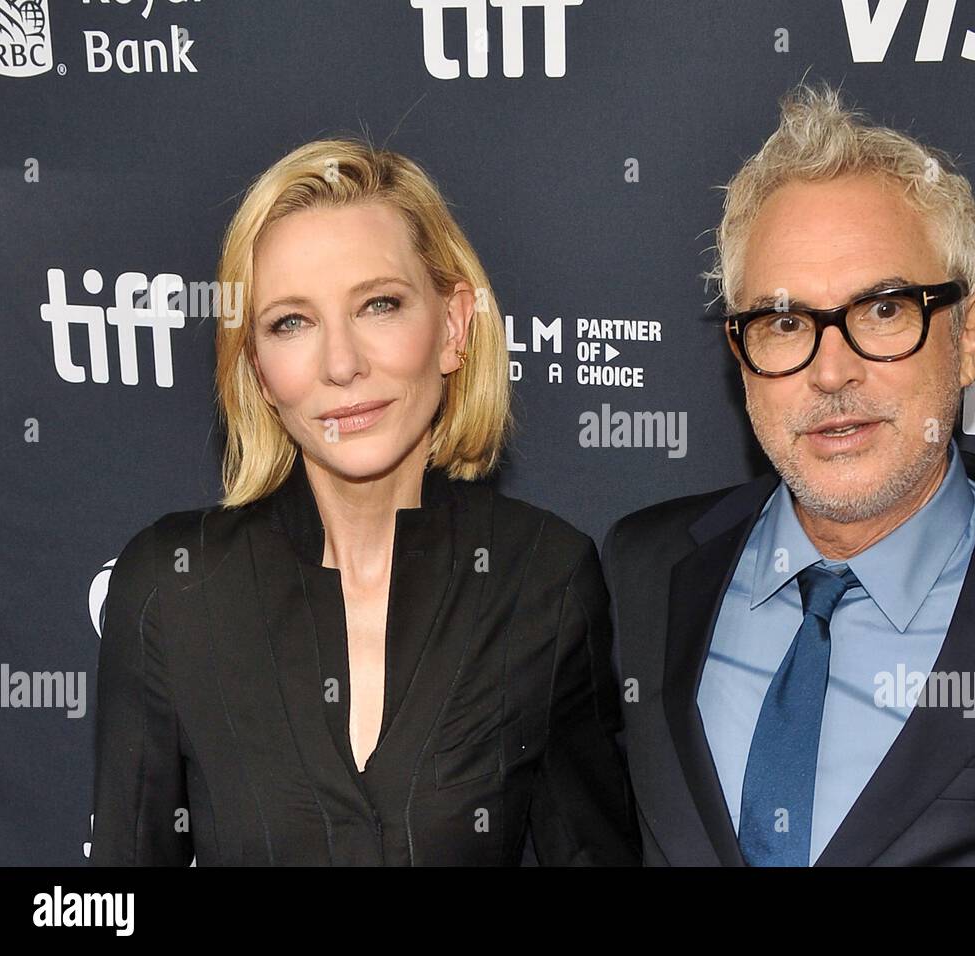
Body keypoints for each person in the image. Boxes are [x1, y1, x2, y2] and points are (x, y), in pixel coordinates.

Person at [601, 84, 975, 866]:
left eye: (884, 310)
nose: (831, 371)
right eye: (785, 323)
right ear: (740, 354)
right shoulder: (642, 569)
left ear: (970, 334)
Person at [91, 137, 640, 866]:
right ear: (257, 369)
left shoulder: (544, 578)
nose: (342, 363)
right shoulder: (171, 588)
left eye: (379, 305)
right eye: (291, 322)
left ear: (452, 327)